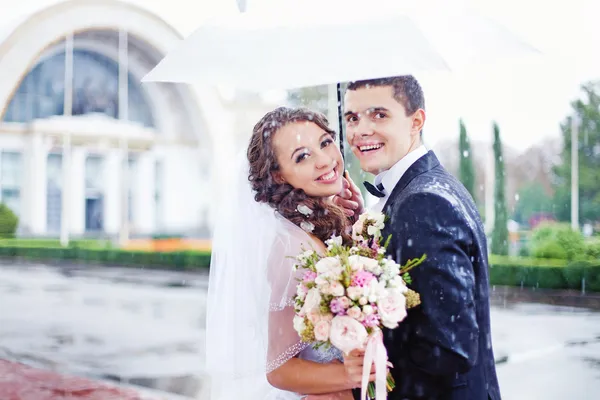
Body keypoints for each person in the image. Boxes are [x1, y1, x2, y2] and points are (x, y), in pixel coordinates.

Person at [335, 75, 501, 400]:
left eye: (379, 115)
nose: (361, 130)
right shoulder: (424, 188)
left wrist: (360, 345)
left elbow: (449, 348)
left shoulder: (423, 203)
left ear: (416, 121)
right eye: (352, 118)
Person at [205, 107, 374, 400]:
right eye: (302, 156)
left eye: (325, 142)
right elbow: (279, 370)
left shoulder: (320, 226)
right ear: (279, 176)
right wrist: (350, 373)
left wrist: (356, 223)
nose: (325, 160)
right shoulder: (291, 247)